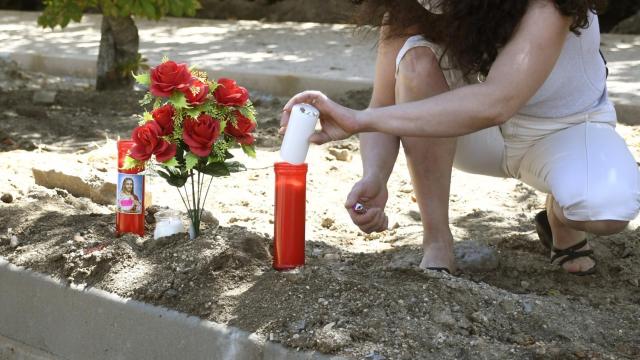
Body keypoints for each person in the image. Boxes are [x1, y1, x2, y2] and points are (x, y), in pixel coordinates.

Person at [280, 0, 640, 275]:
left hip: (563, 131)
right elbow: (383, 103)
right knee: (416, 61)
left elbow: (497, 100)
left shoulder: (551, 5)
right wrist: (375, 175)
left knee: (605, 211)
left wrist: (358, 120)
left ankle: (560, 217)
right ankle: (437, 241)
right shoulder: (414, 7)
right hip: (472, 136)